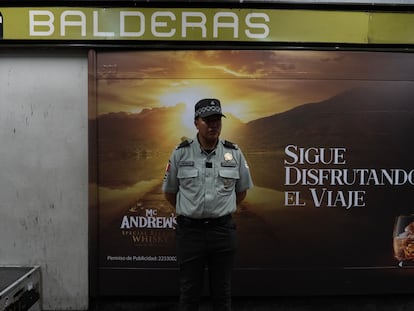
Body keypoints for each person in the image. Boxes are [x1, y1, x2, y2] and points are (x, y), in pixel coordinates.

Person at [162, 98, 253, 311]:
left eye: (217, 121)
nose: (213, 125)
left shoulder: (235, 154)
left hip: (222, 232)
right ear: (196, 123)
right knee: (189, 293)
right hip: (190, 233)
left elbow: (241, 192)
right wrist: (190, 212)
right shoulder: (180, 152)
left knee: (222, 293)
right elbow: (170, 192)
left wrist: (219, 212)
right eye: (207, 120)